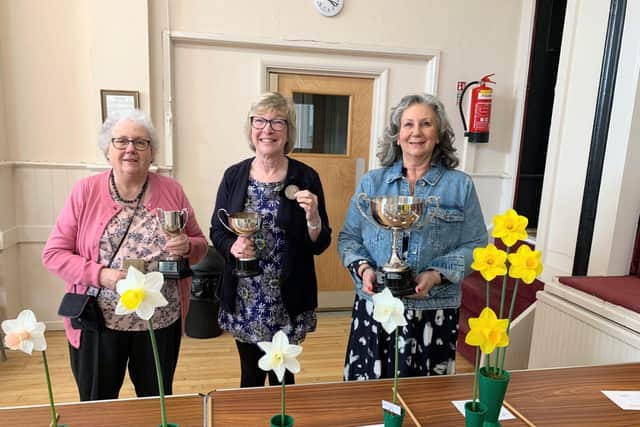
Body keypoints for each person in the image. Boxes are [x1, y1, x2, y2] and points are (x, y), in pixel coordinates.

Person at [42, 109, 208, 401]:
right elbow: (54, 254)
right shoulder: (85, 191)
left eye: (140, 142)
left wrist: (187, 246)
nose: (131, 148)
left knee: (157, 402)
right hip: (100, 322)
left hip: (159, 321)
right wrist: (101, 275)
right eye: (121, 141)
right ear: (108, 150)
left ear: (152, 153)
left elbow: (199, 245)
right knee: (98, 404)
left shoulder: (172, 190)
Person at [338, 93, 487, 381]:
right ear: (397, 136)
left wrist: (436, 274)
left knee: (427, 399)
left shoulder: (460, 186)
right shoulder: (372, 182)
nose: (416, 132)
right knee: (371, 395)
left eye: (426, 124)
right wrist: (364, 269)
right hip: (378, 308)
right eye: (408, 125)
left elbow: (477, 244)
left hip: (435, 310)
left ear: (439, 135)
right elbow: (349, 238)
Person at [210, 92, 331, 388]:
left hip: (287, 296)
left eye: (278, 122)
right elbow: (217, 230)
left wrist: (313, 217)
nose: (268, 129)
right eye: (260, 121)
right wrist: (233, 246)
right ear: (251, 129)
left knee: (283, 377)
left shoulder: (306, 176)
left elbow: (320, 242)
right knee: (250, 376)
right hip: (245, 296)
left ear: (288, 131)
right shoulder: (233, 175)